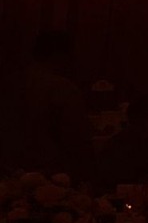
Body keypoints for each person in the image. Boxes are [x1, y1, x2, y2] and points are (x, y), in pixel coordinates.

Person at [4, 31, 91, 175]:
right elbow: (77, 140)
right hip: (50, 173)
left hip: (10, 171)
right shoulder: (64, 90)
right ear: (61, 56)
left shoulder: (11, 84)